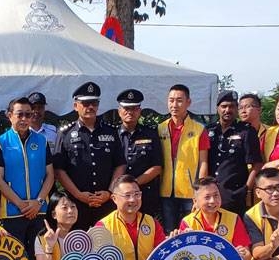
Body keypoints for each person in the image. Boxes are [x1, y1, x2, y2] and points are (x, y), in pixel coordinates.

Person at [0, 96, 55, 260]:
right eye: (20, 114)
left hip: (38, 210)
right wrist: (20, 204)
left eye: (28, 114)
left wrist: (38, 202)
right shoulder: (1, 142)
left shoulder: (41, 141)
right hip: (12, 212)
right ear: (10, 115)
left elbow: (50, 175)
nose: (24, 119)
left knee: (39, 258)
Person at [54, 82, 126, 231]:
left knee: (108, 245)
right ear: (75, 106)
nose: (90, 107)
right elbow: (59, 170)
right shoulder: (65, 133)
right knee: (78, 246)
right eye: (85, 103)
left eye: (94, 103)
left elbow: (120, 164)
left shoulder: (111, 131)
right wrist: (78, 195)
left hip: (106, 202)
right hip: (76, 204)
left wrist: (110, 192)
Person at [158, 84, 209, 233]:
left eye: (179, 100)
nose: (174, 105)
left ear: (188, 102)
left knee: (192, 230)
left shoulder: (199, 129)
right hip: (166, 192)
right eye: (171, 100)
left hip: (190, 192)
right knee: (169, 231)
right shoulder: (160, 128)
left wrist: (200, 192)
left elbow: (203, 162)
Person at [205, 89, 263, 216]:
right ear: (217, 108)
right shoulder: (209, 131)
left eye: (231, 106)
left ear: (236, 109)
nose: (227, 110)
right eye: (224, 106)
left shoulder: (246, 131)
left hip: (234, 194)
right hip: (210, 194)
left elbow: (257, 164)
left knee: (233, 232)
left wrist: (246, 189)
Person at [115, 88, 163, 220]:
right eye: (126, 108)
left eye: (134, 109)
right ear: (119, 111)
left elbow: (157, 167)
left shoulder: (150, 133)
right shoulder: (112, 135)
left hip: (144, 194)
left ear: (140, 111)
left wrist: (134, 184)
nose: (130, 112)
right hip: (119, 195)